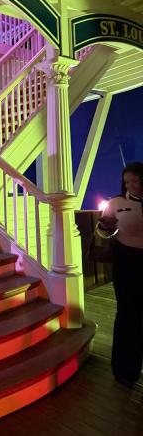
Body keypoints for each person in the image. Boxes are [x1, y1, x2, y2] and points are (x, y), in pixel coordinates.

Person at [99, 161, 143, 387]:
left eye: (136, 180)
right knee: (127, 315)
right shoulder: (116, 203)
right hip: (127, 262)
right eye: (127, 181)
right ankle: (125, 370)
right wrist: (105, 227)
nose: (132, 185)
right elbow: (102, 232)